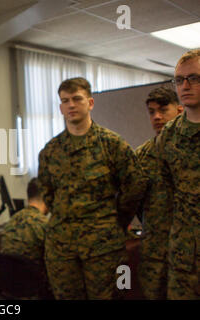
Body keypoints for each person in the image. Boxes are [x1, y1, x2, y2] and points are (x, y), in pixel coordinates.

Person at [37, 77, 147, 300]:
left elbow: (135, 185)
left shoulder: (112, 144)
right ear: (60, 107)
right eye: (65, 101)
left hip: (104, 246)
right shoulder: (50, 151)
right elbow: (47, 194)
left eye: (77, 99)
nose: (71, 105)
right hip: (62, 248)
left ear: (90, 103)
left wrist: (117, 219)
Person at [155, 49, 200, 300]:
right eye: (179, 80)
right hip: (184, 258)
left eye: (194, 78)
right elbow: (163, 199)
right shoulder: (169, 136)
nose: (185, 85)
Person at [135, 87, 183, 299]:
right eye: (152, 112)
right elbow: (132, 200)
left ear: (179, 110)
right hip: (153, 250)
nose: (157, 117)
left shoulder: (191, 150)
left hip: (188, 252)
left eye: (163, 110)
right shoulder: (142, 155)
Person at [1, 177, 49, 265]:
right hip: (34, 277)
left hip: (8, 277)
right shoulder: (44, 224)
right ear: (46, 197)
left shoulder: (12, 220)